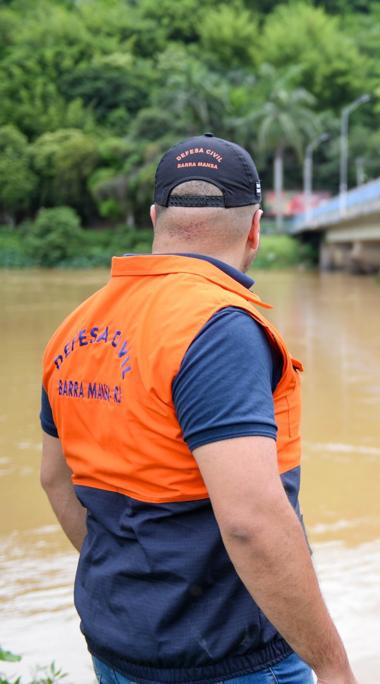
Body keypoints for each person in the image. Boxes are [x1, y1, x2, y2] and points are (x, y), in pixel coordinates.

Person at [38, 134, 358, 684]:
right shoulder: (219, 330)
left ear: (156, 217)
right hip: (230, 662)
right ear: (256, 227)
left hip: (118, 649)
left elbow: (54, 479)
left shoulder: (79, 324)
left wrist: (138, 586)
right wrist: (332, 667)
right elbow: (251, 522)